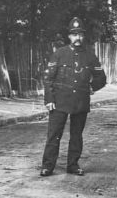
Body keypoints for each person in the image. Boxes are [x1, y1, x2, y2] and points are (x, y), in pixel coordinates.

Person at [40, 17, 106, 177]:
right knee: (54, 134)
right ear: (69, 36)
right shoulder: (59, 54)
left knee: (76, 136)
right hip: (60, 101)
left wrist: (91, 87)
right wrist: (49, 100)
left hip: (80, 102)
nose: (78, 38)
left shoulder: (90, 56)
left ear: (83, 36)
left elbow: (101, 78)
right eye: (74, 34)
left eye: (80, 35)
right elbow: (48, 78)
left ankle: (73, 165)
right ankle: (48, 166)